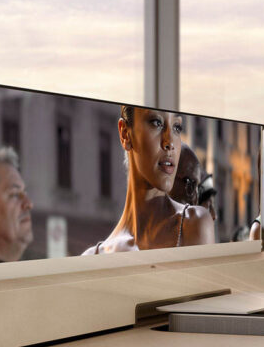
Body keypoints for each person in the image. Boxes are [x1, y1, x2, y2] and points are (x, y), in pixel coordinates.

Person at [83, 106, 214, 254]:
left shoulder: (195, 224)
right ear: (125, 133)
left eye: (177, 127)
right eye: (156, 123)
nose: (170, 142)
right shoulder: (94, 256)